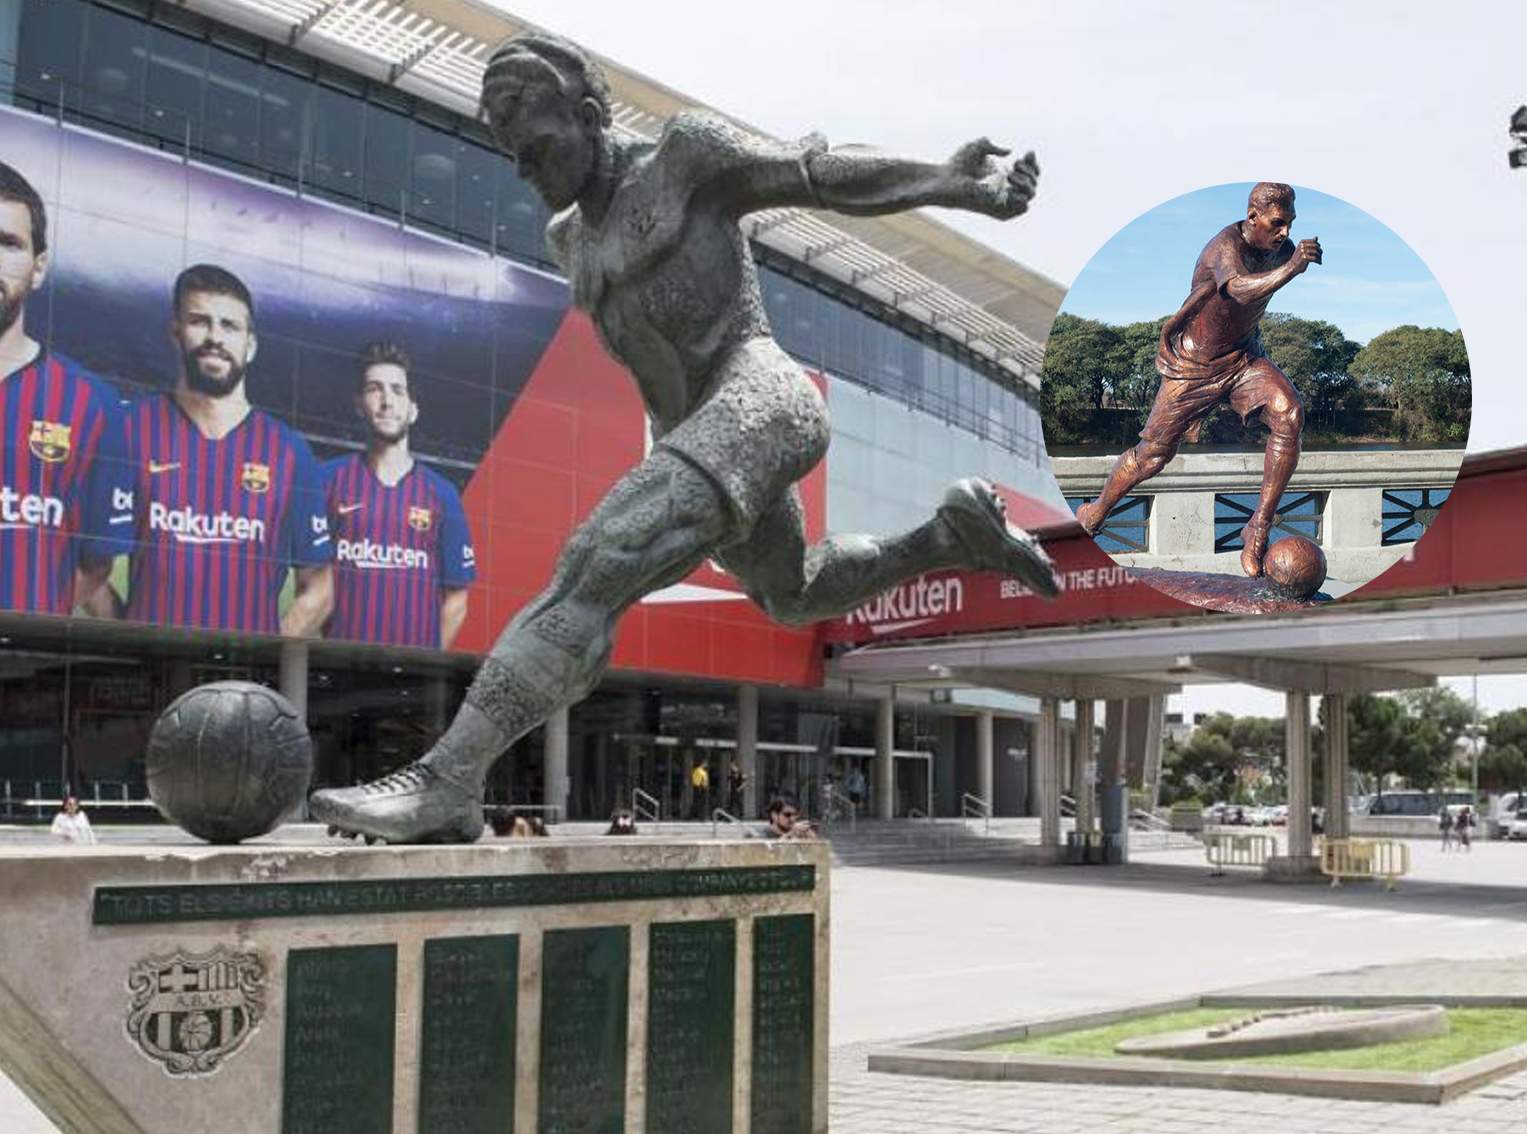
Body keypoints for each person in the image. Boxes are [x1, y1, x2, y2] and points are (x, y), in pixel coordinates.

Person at [311, 32, 1058, 844]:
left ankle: (445, 780)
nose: (523, 165)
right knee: (793, 592)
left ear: (591, 116)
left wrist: (947, 182)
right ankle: (949, 536)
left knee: (592, 569)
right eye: (510, 152)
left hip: (761, 399)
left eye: (537, 144)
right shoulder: (572, 239)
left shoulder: (685, 157)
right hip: (700, 434)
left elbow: (815, 171)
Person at [1072, 182, 1321, 577]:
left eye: (1290, 224)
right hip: (1194, 364)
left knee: (1289, 413)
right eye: (1277, 223)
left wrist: (1287, 262)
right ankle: (1095, 514)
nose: (1285, 234)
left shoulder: (1280, 251)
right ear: (1252, 217)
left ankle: (1257, 529)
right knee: (1152, 456)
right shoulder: (1225, 246)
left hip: (1244, 358)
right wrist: (1291, 270)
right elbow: (1237, 290)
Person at [124, 264, 333, 635]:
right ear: (176, 332)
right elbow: (79, 552)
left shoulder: (289, 451)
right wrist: (121, 634)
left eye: (229, 326)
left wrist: (268, 647)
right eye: (200, 321)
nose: (215, 337)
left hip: (244, 680)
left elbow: (320, 582)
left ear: (250, 346)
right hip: (147, 670)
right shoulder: (129, 429)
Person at [0, 161, 134, 618]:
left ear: (38, 268)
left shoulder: (92, 405)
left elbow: (97, 562)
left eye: (8, 244)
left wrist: (31, 615)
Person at [321, 341, 476, 648]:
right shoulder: (327, 479)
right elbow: (306, 581)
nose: (386, 401)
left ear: (413, 410)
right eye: (374, 389)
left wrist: (428, 662)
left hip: (412, 679)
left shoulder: (442, 494)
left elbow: (457, 598)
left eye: (397, 390)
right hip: (336, 671)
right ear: (359, 404)